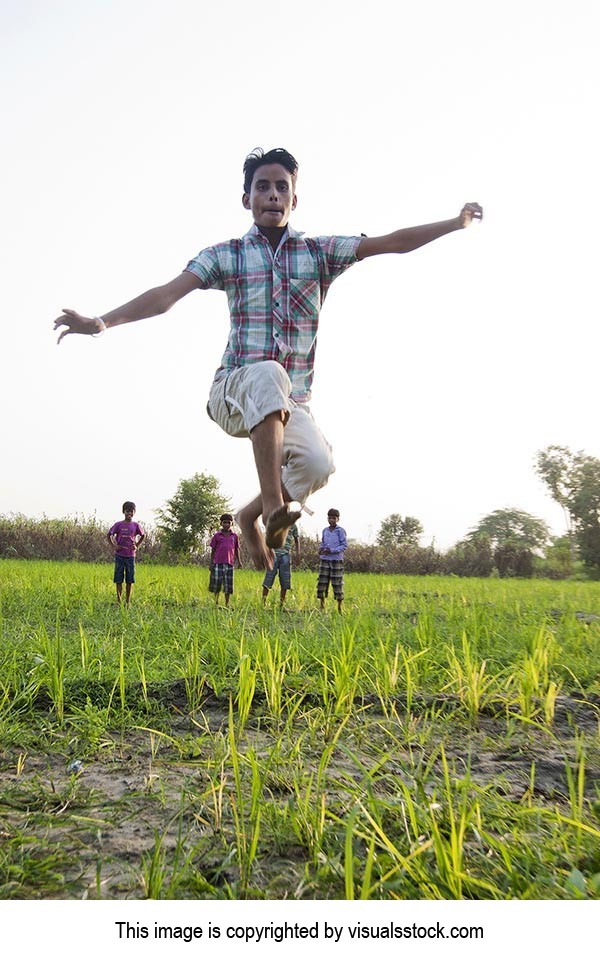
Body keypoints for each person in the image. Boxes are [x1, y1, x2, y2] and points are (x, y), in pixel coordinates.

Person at [54, 148, 482, 571]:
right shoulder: (227, 255)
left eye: (282, 188)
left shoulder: (318, 253)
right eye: (263, 187)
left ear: (294, 200)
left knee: (318, 462)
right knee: (268, 372)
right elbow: (166, 296)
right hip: (233, 391)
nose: (273, 195)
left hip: (289, 402)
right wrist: (102, 322)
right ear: (248, 200)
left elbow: (392, 243)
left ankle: (250, 516)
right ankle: (276, 508)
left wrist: (455, 223)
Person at [107, 501, 145, 604]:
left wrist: (136, 545)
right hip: (120, 556)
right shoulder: (118, 525)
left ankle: (127, 602)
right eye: (127, 511)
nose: (129, 514)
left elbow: (143, 535)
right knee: (118, 579)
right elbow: (109, 534)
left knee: (130, 580)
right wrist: (114, 546)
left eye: (131, 511)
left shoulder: (135, 525)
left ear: (134, 512)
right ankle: (119, 602)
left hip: (130, 556)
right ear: (123, 512)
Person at [262, 521, 300, 608]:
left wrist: (298, 554)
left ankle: (281, 605)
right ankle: (263, 603)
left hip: (286, 555)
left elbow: (297, 540)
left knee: (285, 580)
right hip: (273, 554)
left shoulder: (293, 525)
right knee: (268, 578)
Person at [317, 509, 347, 613]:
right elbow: (323, 543)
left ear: (337, 519)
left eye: (334, 518)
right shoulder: (325, 530)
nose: (332, 520)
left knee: (337, 583)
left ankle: (339, 608)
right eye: (330, 518)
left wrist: (332, 550)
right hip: (325, 560)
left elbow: (344, 545)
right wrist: (321, 549)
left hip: (336, 560)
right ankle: (322, 606)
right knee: (322, 582)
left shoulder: (340, 531)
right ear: (327, 518)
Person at [209, 513, 241, 607]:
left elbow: (236, 549)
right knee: (217, 584)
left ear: (232, 524)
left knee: (228, 585)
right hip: (218, 563)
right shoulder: (217, 536)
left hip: (229, 564)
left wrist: (239, 561)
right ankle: (216, 603)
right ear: (221, 523)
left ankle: (227, 604)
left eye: (228, 522)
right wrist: (211, 563)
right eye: (224, 522)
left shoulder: (234, 536)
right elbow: (213, 550)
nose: (226, 524)